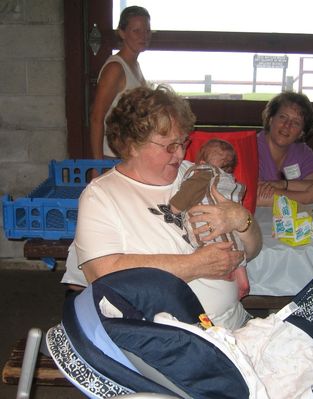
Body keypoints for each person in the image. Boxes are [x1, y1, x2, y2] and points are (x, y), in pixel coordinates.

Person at [63, 85, 262, 330]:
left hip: (233, 324)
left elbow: (251, 250)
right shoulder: (101, 196)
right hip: (168, 340)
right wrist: (196, 264)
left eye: (182, 142)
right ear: (132, 145)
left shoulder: (198, 174)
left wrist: (242, 220)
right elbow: (103, 274)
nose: (180, 153)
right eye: (169, 146)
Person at [169, 138, 250, 300]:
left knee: (212, 251)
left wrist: (174, 207)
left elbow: (185, 197)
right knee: (235, 249)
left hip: (211, 230)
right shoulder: (229, 180)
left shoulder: (203, 172)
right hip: (233, 233)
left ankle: (226, 278)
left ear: (201, 161)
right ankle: (242, 276)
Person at [90, 6, 151, 160]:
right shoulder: (115, 68)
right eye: (136, 31)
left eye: (146, 30)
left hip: (130, 152)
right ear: (122, 33)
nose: (143, 36)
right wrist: (97, 165)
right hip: (113, 155)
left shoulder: (135, 65)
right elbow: (97, 117)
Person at [257, 91, 313, 207]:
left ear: (301, 133)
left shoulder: (303, 152)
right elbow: (255, 196)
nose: (287, 125)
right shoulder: (250, 147)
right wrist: (306, 197)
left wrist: (283, 185)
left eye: (296, 123)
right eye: (283, 117)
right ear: (270, 119)